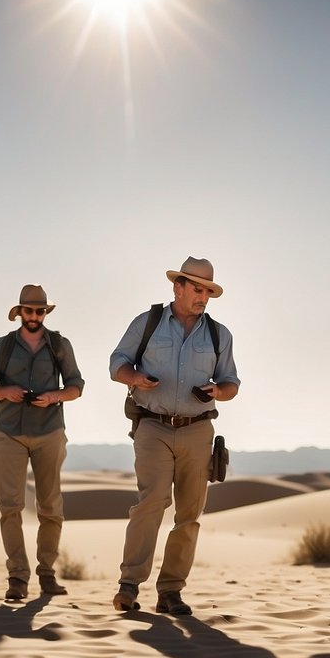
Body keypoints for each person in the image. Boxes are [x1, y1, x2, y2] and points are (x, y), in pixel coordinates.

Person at [109, 257, 240, 616]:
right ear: (177, 287)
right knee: (151, 502)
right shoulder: (148, 322)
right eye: (197, 289)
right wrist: (134, 378)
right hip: (152, 425)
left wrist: (218, 391)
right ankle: (129, 586)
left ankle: (170, 591)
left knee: (190, 513)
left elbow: (232, 382)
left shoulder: (219, 334)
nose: (203, 297)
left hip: (198, 429)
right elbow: (116, 363)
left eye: (208, 291)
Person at [0, 285, 85, 601]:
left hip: (50, 431)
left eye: (39, 311)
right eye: (29, 310)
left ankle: (47, 574)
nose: (34, 316)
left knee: (50, 507)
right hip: (9, 432)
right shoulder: (3, 346)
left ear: (45, 313)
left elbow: (77, 385)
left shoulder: (60, 345)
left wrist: (54, 396)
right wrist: (4, 391)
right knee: (11, 507)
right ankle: (17, 577)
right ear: (19, 311)